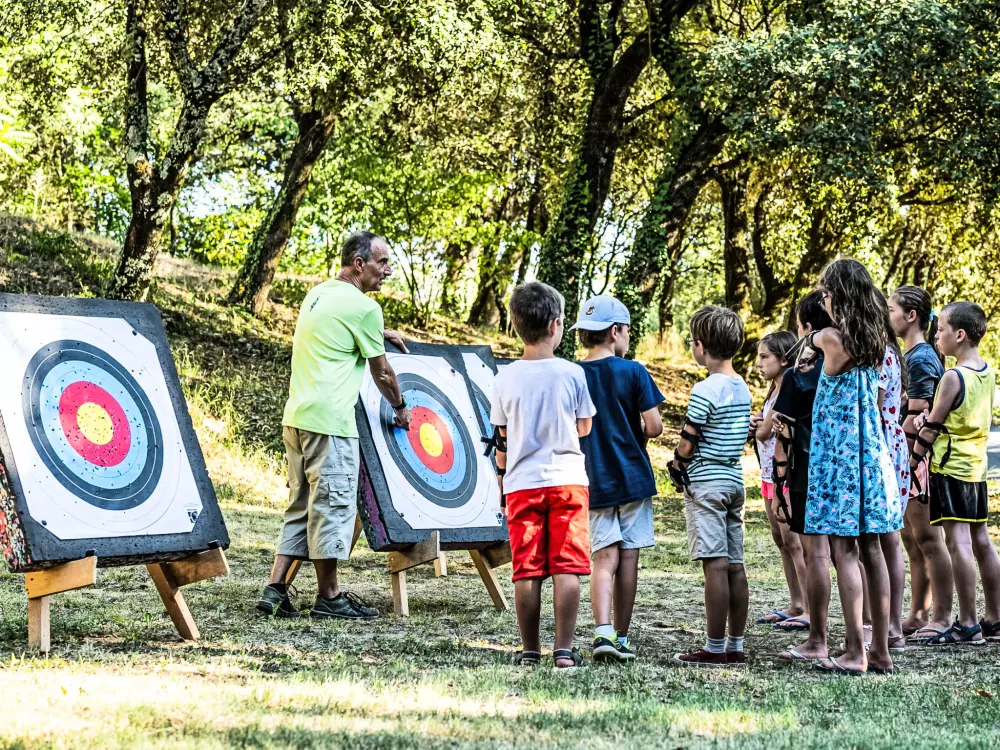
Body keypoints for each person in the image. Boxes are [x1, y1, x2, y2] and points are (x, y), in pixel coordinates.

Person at [256, 232, 413, 620]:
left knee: (301, 507)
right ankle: (329, 597)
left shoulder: (317, 294)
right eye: (382, 262)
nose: (388, 270)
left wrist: (380, 334)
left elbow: (334, 332)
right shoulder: (365, 308)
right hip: (331, 426)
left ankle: (275, 590)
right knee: (331, 507)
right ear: (359, 264)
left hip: (297, 419)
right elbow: (383, 373)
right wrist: (400, 407)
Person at [491, 281, 596, 669]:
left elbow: (501, 437)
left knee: (527, 569)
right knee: (567, 567)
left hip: (522, 485)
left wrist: (501, 482)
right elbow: (584, 427)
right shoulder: (572, 373)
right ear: (556, 325)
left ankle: (530, 650)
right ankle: (564, 651)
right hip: (568, 481)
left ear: (516, 325)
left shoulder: (503, 377)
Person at [807, 259, 902, 675]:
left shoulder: (831, 338)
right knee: (873, 550)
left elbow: (810, 341)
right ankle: (880, 650)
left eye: (826, 294)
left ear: (838, 296)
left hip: (839, 459)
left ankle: (853, 651)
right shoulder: (877, 341)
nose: (823, 301)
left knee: (844, 551)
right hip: (871, 456)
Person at [574, 295, 665, 663]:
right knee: (628, 559)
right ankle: (622, 637)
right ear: (615, 332)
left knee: (603, 559)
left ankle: (602, 631)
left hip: (592, 479)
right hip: (632, 478)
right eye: (627, 331)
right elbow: (654, 427)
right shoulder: (634, 371)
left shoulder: (573, 374)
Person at [909, 301, 1000, 645]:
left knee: (958, 543)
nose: (937, 335)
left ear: (960, 335)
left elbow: (932, 428)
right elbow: (955, 415)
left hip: (950, 469)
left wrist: (913, 461)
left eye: (942, 329)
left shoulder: (953, 376)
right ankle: (995, 617)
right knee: (982, 541)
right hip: (976, 469)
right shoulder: (987, 371)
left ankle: (969, 623)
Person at [671, 306, 753, 667]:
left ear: (701, 346)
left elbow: (689, 438)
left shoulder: (705, 389)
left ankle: (714, 647)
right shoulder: (742, 387)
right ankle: (736, 643)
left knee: (715, 566)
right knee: (735, 565)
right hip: (734, 481)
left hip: (706, 483)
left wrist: (678, 465)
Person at [771, 291, 835, 661]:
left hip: (806, 467)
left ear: (808, 329)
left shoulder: (799, 376)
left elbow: (783, 432)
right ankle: (865, 630)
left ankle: (817, 637)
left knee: (816, 554)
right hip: (845, 467)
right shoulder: (855, 368)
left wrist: (780, 485)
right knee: (851, 554)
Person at [888, 286, 953, 642]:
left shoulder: (921, 358)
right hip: (906, 461)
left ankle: (942, 616)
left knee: (928, 538)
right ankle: (917, 613)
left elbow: (921, 419)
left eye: (891, 309)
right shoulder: (909, 356)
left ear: (911, 316)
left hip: (919, 461)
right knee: (912, 539)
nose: (887, 316)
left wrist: (910, 462)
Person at [750, 331, 809, 631]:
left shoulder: (788, 386)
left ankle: (808, 607)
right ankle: (795, 602)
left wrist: (756, 426)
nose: (758, 363)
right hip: (767, 474)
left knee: (794, 542)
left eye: (765, 356)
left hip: (785, 473)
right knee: (780, 538)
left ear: (784, 359)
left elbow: (764, 433)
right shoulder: (773, 390)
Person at [874, 311, 910, 651]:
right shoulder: (888, 350)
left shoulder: (882, 352)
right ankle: (885, 624)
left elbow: (876, 404)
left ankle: (892, 626)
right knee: (886, 541)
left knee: (887, 540)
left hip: (882, 444)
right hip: (887, 441)